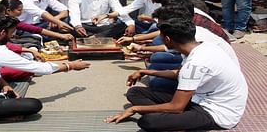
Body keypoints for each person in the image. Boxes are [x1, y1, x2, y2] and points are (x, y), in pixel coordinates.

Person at [105, 18, 247, 131]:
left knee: (148, 121)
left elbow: (176, 107)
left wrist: (135, 109)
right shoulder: (203, 47)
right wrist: (144, 71)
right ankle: (171, 121)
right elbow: (179, 73)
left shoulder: (195, 64)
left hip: (217, 114)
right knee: (135, 92)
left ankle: (174, 124)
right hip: (198, 99)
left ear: (167, 39)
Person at [95, 0, 163, 37]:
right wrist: (106, 16)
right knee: (122, 21)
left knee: (156, 27)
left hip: (159, 27)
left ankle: (144, 37)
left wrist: (150, 19)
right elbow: (127, 9)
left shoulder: (166, 0)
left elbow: (168, 21)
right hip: (146, 25)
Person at [0, 0, 74, 41]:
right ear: (9, 11)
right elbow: (35, 29)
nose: (21, 12)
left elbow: (35, 29)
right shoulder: (7, 20)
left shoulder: (10, 19)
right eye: (19, 10)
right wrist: (60, 35)